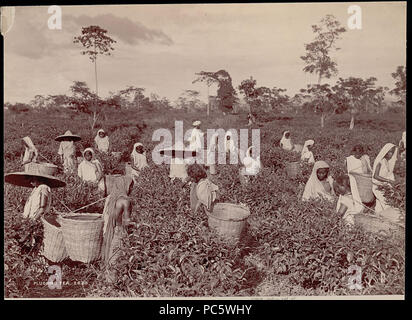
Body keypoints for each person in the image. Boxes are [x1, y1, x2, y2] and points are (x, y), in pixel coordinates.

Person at [99, 174, 134, 282]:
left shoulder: (112, 199)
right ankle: (113, 285)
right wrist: (139, 224)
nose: (131, 188)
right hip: (121, 232)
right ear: (125, 186)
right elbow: (126, 222)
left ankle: (109, 283)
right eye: (130, 186)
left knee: (112, 257)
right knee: (118, 258)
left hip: (113, 231)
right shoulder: (125, 201)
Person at [372, 143, 398, 213]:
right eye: (389, 152)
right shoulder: (380, 161)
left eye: (392, 152)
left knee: (380, 204)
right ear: (385, 152)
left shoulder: (387, 162)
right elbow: (375, 176)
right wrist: (388, 180)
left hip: (384, 185)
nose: (391, 154)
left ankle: (379, 216)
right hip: (378, 186)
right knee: (386, 202)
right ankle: (388, 216)